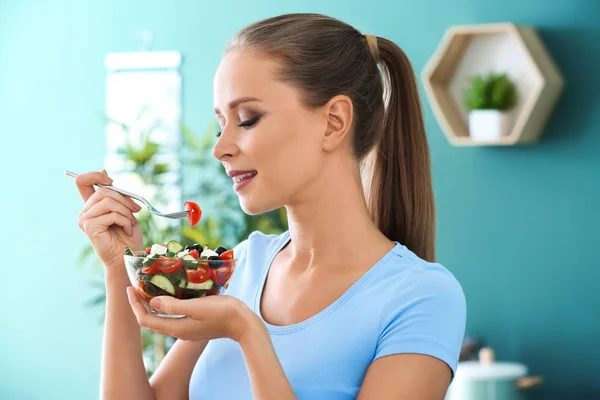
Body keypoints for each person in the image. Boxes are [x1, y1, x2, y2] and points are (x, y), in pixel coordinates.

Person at [74, 13, 466, 400]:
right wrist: (119, 266)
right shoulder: (241, 266)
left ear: (333, 122)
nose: (219, 147)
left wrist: (247, 332)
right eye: (219, 124)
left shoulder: (421, 297)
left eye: (247, 119)